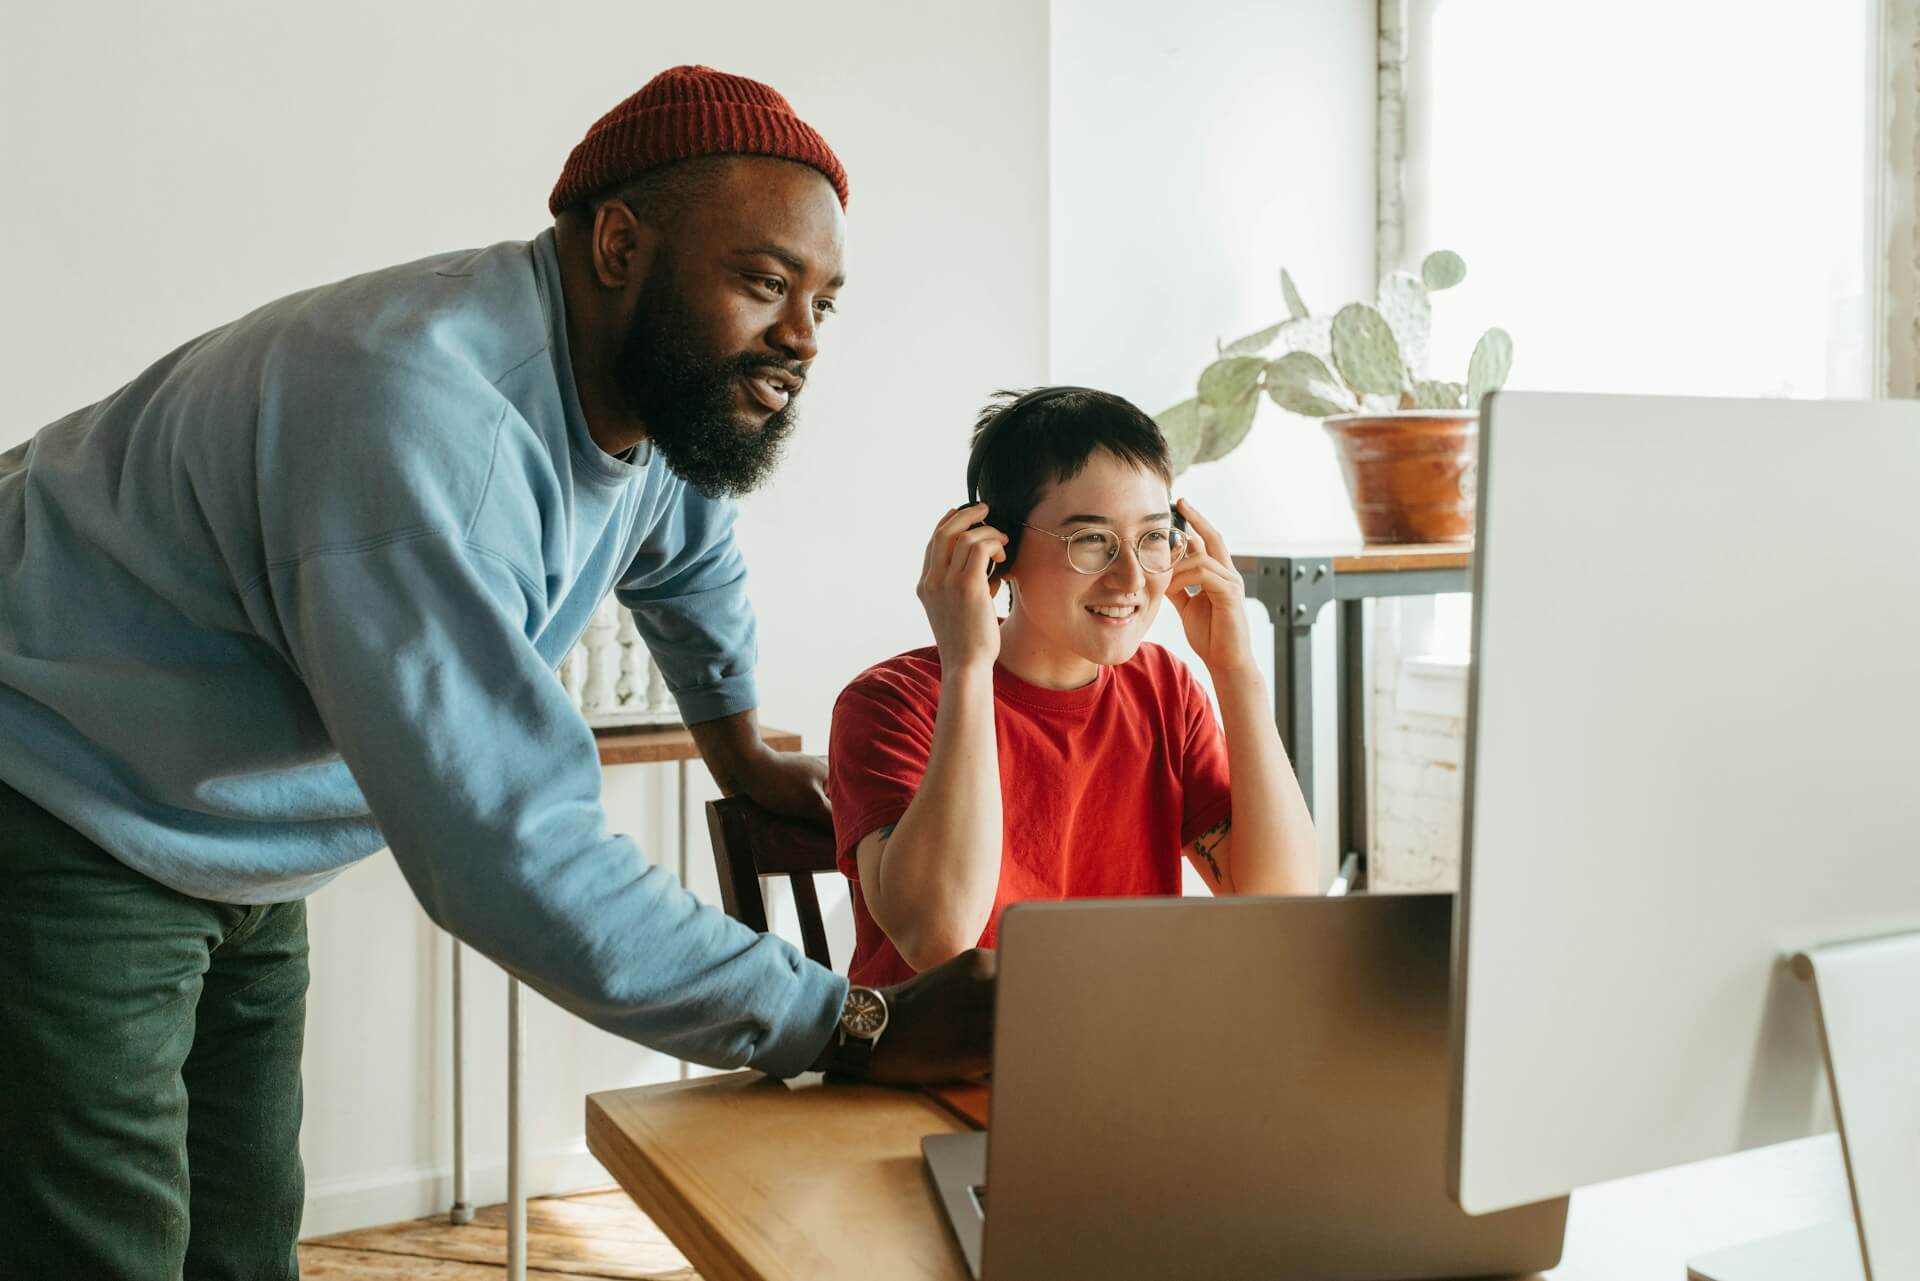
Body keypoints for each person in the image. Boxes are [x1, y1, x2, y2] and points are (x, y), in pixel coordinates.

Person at [0, 65, 990, 1281]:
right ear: (620, 244)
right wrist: (848, 1021)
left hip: (222, 825)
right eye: (762, 280)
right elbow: (512, 855)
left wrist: (739, 751)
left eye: (823, 302)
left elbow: (688, 556)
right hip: (55, 783)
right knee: (100, 1247)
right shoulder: (424, 426)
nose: (798, 337)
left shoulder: (650, 389)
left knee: (244, 1237)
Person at [827, 386, 1318, 986]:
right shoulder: (889, 704)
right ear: (996, 550)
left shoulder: (1166, 689)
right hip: (938, 1066)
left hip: (1123, 1056)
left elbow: (1281, 907)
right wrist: (967, 668)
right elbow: (939, 937)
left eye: (1153, 537)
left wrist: (1236, 671)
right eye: (1092, 540)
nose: (1131, 578)